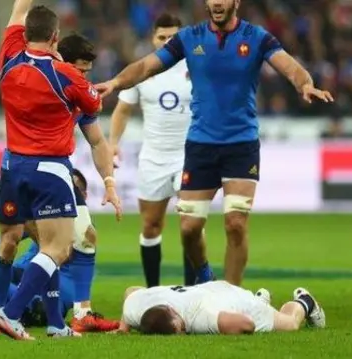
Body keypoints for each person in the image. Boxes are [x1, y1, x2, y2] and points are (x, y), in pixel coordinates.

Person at [96, 0, 333, 285]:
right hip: (200, 146)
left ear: (236, 2)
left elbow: (290, 66)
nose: (217, 2)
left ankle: (231, 295)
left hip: (241, 144)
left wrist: (304, 83)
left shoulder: (256, 37)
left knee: (235, 224)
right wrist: (115, 83)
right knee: (189, 228)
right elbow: (147, 66)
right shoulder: (190, 38)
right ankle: (205, 273)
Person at [0, 0, 121, 340]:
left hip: (12, 166)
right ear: (54, 37)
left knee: (17, 241)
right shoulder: (65, 75)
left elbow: (18, 12)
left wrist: (108, 180)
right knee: (59, 249)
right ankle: (9, 315)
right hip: (49, 169)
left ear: (24, 34)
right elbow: (94, 101)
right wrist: (73, 74)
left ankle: (54, 323)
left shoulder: (8, 58)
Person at [109, 13, 202, 287]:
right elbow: (122, 110)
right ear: (153, 38)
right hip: (153, 159)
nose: (167, 41)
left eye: (173, 37)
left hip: (191, 157)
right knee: (150, 226)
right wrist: (113, 144)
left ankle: (192, 293)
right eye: (162, 37)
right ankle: (153, 291)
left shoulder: (198, 67)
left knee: (191, 225)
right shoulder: (143, 70)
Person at [0, 168, 119, 332]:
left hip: (43, 295)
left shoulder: (79, 228)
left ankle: (7, 315)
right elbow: (7, 240)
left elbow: (66, 253)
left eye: (75, 192)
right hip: (23, 276)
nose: (67, 196)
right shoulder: (48, 216)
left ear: (83, 197)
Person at [116, 281, 325, 335]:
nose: (182, 332)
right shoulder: (137, 306)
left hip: (236, 300)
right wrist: (124, 327)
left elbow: (247, 324)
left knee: (289, 323)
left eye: (180, 329)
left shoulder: (198, 316)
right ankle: (261, 300)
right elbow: (131, 291)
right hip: (210, 291)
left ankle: (306, 302)